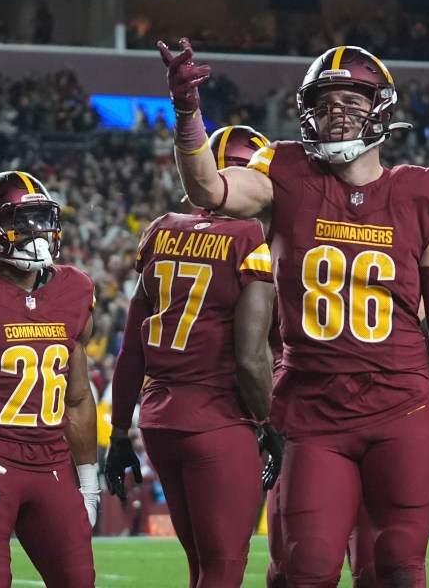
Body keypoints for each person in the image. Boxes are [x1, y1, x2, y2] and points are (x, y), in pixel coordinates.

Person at [157, 38, 429, 587]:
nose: (336, 113)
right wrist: (187, 112)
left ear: (381, 108)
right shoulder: (287, 171)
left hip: (400, 409)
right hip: (314, 408)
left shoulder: (425, 196)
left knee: (395, 568)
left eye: (351, 100)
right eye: (324, 102)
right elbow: (208, 185)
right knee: (308, 566)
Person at [104, 125, 283, 588]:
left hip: (159, 422)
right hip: (218, 421)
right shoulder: (248, 239)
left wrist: (120, 431)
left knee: (201, 567)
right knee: (223, 568)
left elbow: (131, 350)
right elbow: (250, 359)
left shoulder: (160, 231)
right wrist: (269, 423)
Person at [0, 171, 98, 587]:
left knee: (79, 580)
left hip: (52, 464)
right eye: (21, 222)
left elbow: (77, 399)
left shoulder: (74, 289)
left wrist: (90, 481)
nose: (37, 232)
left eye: (42, 219)